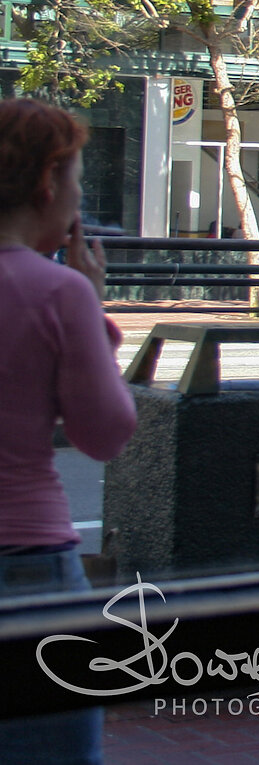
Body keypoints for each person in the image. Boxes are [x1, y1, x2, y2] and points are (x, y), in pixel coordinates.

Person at [0, 98, 138, 764]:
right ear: (48, 182)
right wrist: (94, 312)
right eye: (79, 180)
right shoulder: (58, 292)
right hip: (27, 560)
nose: (81, 198)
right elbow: (104, 433)